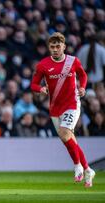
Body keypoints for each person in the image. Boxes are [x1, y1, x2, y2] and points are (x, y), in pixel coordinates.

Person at [30, 32, 96, 187]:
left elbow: (83, 75)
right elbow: (33, 84)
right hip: (54, 107)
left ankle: (78, 166)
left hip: (72, 104)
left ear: (64, 47)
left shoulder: (73, 61)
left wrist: (82, 87)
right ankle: (88, 169)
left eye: (58, 46)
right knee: (68, 139)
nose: (55, 49)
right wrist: (41, 89)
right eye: (52, 47)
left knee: (65, 133)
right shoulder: (43, 65)